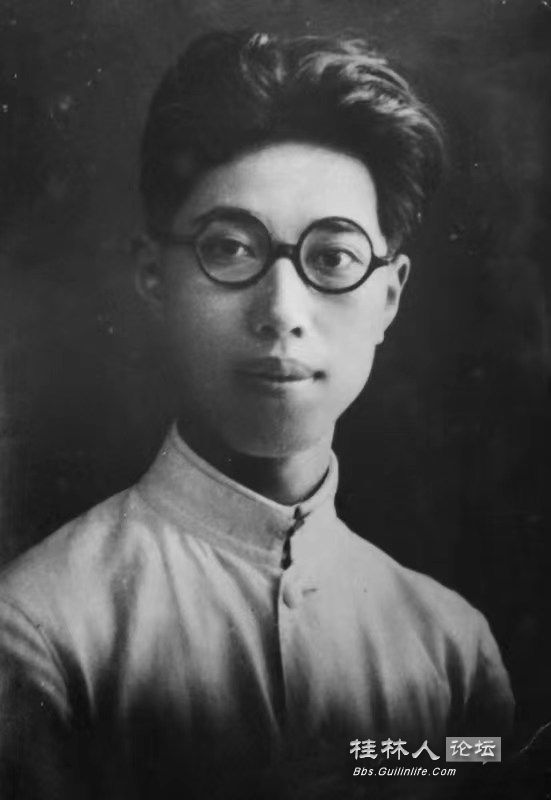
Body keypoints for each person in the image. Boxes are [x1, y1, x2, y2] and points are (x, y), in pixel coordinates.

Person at [0, 29, 513, 800]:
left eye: (333, 257)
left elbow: (482, 767)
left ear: (388, 297)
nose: (281, 312)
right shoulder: (39, 629)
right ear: (154, 275)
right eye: (231, 249)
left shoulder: (453, 649)